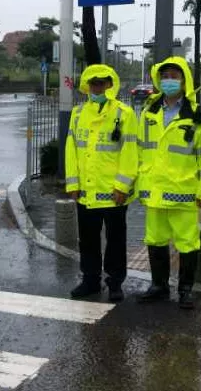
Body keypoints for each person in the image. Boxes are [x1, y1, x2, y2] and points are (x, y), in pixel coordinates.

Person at [136, 57, 201, 309]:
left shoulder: (197, 114)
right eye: (164, 76)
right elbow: (139, 149)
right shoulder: (149, 111)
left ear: (184, 80)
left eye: (174, 76)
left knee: (188, 242)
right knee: (155, 239)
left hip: (184, 191)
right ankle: (159, 285)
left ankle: (185, 289)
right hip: (154, 188)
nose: (169, 81)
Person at [65, 64, 138, 302]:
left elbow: (130, 152)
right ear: (87, 86)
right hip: (86, 191)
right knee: (87, 239)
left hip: (113, 192)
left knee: (115, 240)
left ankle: (115, 282)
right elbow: (71, 150)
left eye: (102, 83)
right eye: (93, 83)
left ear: (110, 84)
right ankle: (90, 280)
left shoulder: (124, 113)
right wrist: (72, 184)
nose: (97, 87)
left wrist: (122, 186)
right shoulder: (78, 114)